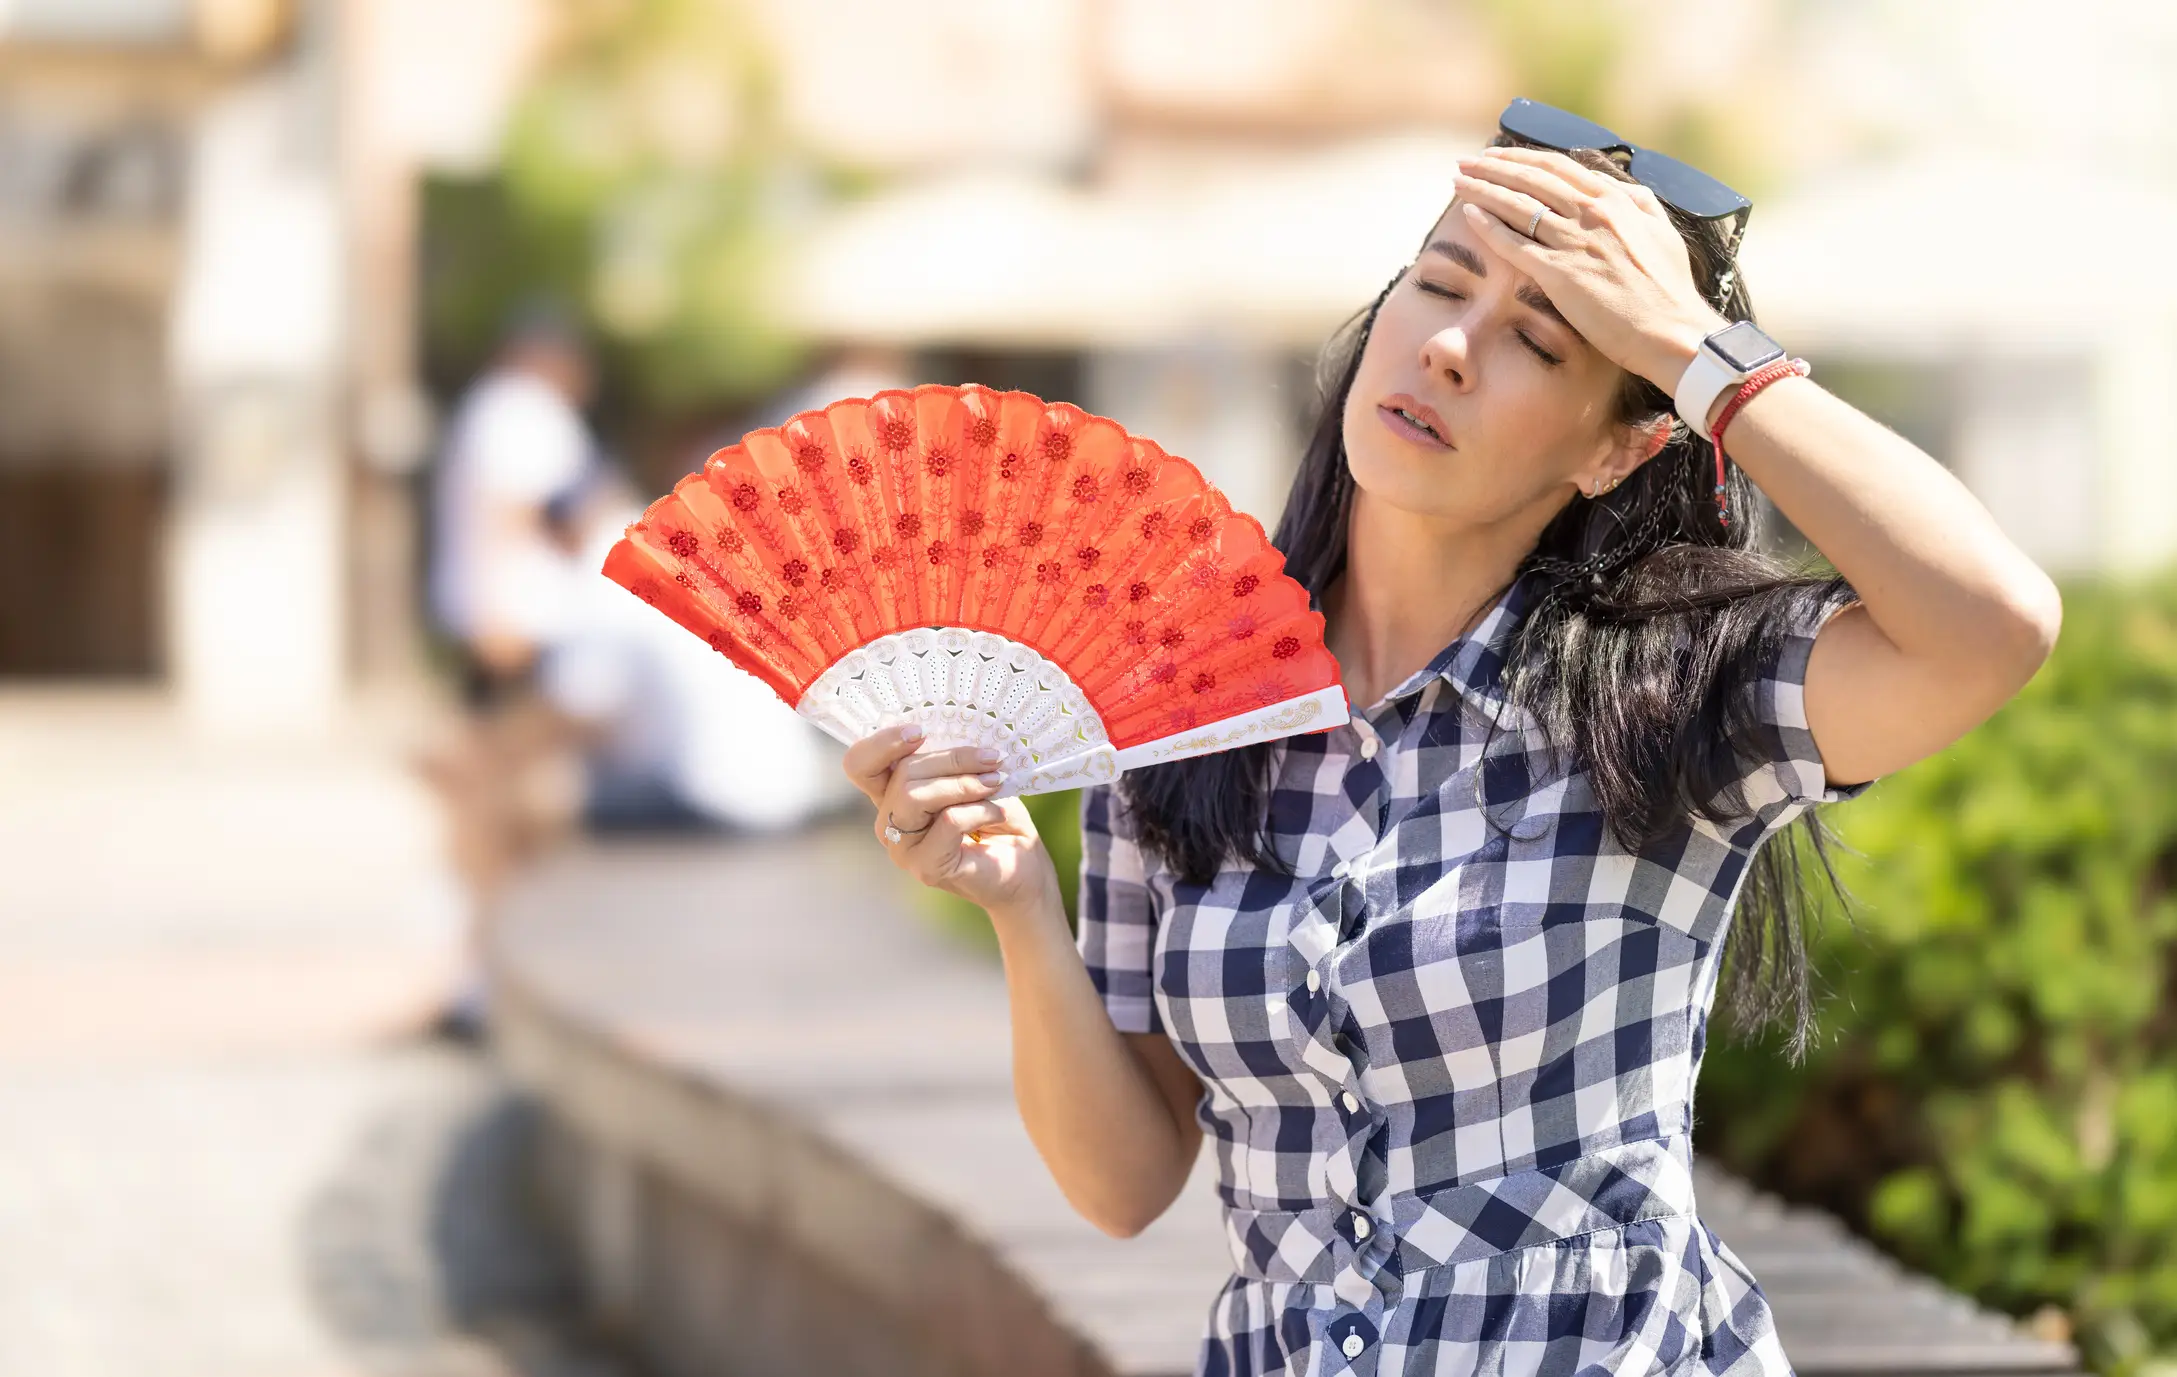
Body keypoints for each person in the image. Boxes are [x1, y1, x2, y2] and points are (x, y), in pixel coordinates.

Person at [837, 102, 2062, 1376]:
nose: (1453, 349)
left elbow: (1993, 626)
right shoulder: (1184, 708)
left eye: (1540, 340)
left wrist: (1693, 349)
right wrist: (1019, 907)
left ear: (1619, 446)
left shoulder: (1668, 693)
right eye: (1437, 284)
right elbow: (1123, 1181)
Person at [427, 300, 600, 709]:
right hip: (520, 615)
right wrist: (492, 612)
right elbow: (501, 512)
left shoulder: (507, 406)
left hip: (524, 613)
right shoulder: (516, 408)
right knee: (509, 746)